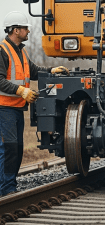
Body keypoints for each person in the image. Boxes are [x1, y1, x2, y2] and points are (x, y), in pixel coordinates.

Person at [0, 12, 69, 197]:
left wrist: (50, 70)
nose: (28, 31)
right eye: (25, 28)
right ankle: (6, 189)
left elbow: (33, 70)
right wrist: (21, 91)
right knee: (10, 148)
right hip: (4, 108)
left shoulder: (20, 50)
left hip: (15, 108)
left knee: (17, 148)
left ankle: (9, 186)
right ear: (16, 30)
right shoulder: (2, 51)